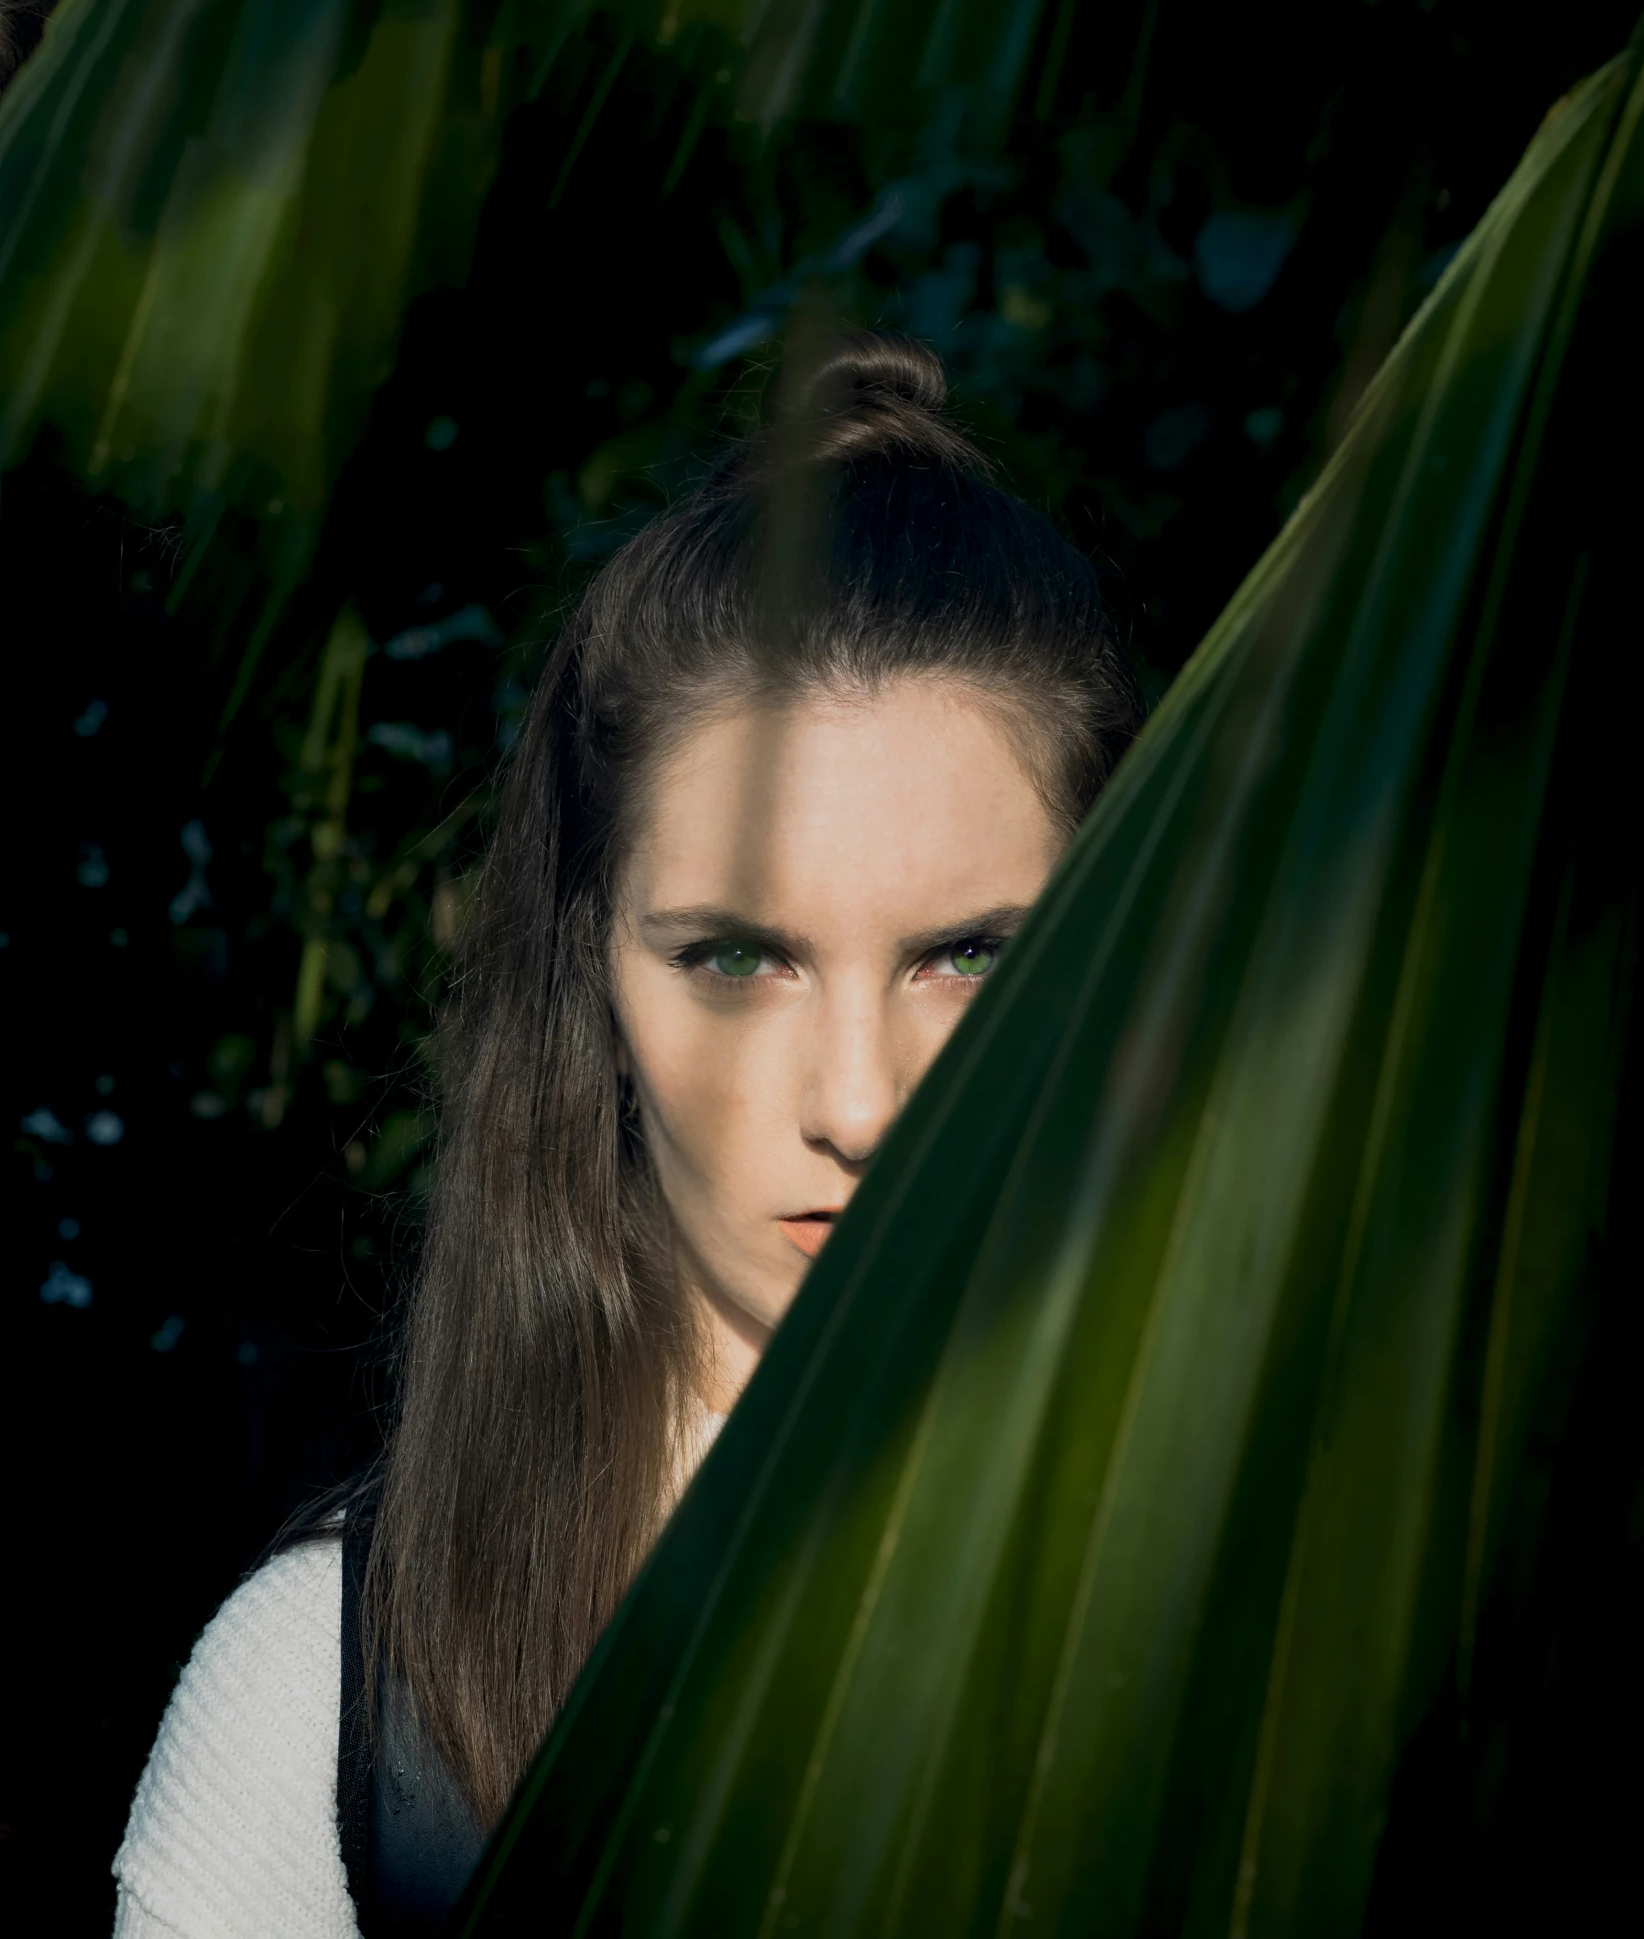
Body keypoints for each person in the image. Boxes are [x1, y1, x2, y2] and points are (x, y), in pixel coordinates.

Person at [111, 333, 1144, 1936]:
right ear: (588, 976)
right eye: (737, 957)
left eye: (969, 956)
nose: (859, 1104)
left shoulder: (1320, 1615)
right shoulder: (323, 1704)